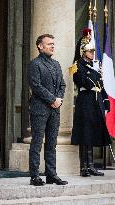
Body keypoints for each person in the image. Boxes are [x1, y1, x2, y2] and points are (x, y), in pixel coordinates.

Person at [27, 34, 68, 186]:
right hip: (39, 109)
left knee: (52, 143)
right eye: (49, 44)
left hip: (55, 110)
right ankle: (35, 176)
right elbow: (36, 86)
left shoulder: (56, 64)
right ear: (40, 46)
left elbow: (62, 85)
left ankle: (51, 175)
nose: (52, 46)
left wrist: (59, 100)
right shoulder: (35, 64)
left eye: (53, 44)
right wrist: (52, 100)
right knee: (37, 143)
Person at [70, 42, 111, 177]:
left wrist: (105, 101)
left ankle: (91, 166)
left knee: (92, 133)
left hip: (96, 102)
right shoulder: (78, 66)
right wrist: (93, 71)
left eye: (93, 51)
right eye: (90, 51)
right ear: (83, 52)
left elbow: (101, 86)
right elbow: (84, 82)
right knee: (85, 133)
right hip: (86, 102)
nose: (93, 53)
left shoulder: (93, 66)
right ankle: (84, 168)